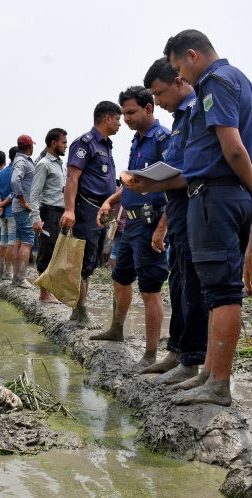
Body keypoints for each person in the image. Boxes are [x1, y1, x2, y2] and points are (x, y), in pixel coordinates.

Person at [153, 30, 252, 406]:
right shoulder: (238, 79)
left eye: (179, 68)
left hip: (217, 196)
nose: (181, 77)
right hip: (222, 195)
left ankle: (219, 383)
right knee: (214, 289)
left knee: (223, 292)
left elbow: (236, 150)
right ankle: (210, 373)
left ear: (192, 56)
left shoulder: (215, 84)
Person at [125, 57, 207, 384]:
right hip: (179, 211)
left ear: (179, 80)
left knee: (194, 285)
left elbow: (195, 169)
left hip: (195, 207)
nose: (157, 102)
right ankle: (176, 351)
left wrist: (154, 185)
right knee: (179, 283)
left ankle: (192, 360)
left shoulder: (198, 111)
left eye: (159, 94)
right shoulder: (178, 120)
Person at [91, 87, 170, 371]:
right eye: (123, 113)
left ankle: (150, 354)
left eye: (131, 112)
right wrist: (110, 202)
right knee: (120, 277)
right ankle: (116, 328)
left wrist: (162, 229)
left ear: (149, 108)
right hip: (129, 222)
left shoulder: (163, 140)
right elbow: (131, 181)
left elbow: (175, 189)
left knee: (150, 289)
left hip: (151, 223)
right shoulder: (137, 141)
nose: (125, 119)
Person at [60, 101, 122, 327]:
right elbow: (72, 178)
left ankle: (78, 310)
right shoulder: (85, 143)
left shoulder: (106, 146)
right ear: (107, 118)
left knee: (92, 257)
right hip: (86, 208)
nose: (119, 124)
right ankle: (80, 310)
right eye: (117, 119)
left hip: (100, 210)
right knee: (83, 257)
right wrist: (69, 209)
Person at [30, 129, 68, 302]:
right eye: (63, 142)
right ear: (54, 143)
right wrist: (36, 218)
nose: (65, 146)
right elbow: (35, 193)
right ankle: (44, 293)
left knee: (57, 251)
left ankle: (51, 290)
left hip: (60, 211)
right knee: (47, 249)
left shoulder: (60, 164)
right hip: (48, 211)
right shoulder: (44, 164)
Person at [10, 135, 38, 287]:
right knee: (27, 242)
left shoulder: (22, 160)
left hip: (19, 207)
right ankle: (21, 278)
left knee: (19, 241)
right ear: (29, 147)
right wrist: (23, 200)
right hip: (23, 208)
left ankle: (16, 278)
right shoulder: (22, 161)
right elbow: (15, 180)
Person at [0, 148, 18, 278]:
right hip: (13, 211)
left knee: (3, 241)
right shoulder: (16, 172)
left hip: (2, 213)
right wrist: (2, 204)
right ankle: (8, 272)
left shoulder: (2, 173)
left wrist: (0, 204)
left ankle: (2, 270)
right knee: (11, 242)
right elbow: (15, 192)